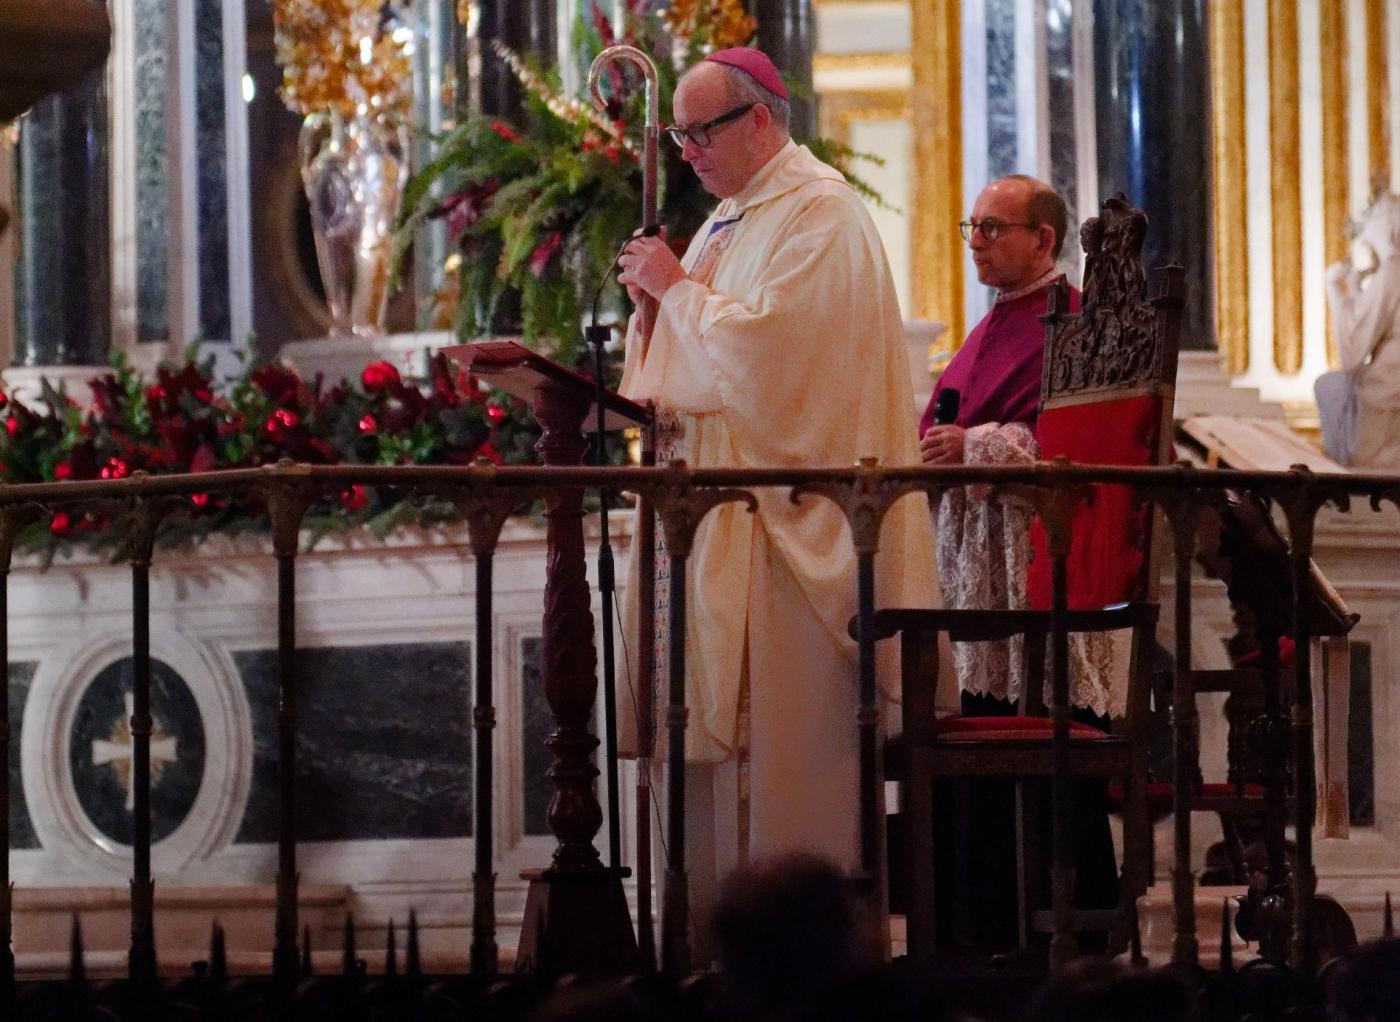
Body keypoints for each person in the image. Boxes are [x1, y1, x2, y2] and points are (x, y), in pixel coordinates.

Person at [615, 47, 935, 955]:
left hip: (793, 536)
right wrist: (655, 308)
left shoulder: (822, 215)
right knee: (720, 790)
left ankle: (802, 974)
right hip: (724, 526)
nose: (685, 151)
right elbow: (694, 362)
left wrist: (675, 292)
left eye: (700, 131)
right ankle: (713, 959)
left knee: (789, 778)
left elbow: (776, 367)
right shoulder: (729, 219)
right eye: (676, 134)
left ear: (759, 118)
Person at [915, 176, 1117, 950]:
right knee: (982, 729)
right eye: (972, 227)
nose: (976, 242)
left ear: (1043, 238)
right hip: (974, 556)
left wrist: (974, 445)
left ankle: (1056, 938)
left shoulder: (1074, 321)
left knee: (1032, 734)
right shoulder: (993, 323)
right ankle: (979, 933)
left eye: (994, 228)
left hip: (1034, 559)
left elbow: (1082, 441)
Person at [1320, 190, 1400, 470]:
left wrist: (1333, 288)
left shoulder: (1392, 270)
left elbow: (1354, 347)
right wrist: (1354, 289)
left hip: (1390, 386)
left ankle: (1349, 467)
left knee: (1328, 387)